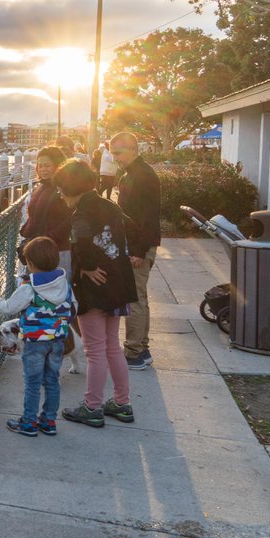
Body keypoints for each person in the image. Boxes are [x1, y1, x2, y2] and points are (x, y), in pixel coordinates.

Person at [54, 159, 138, 428]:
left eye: (60, 190)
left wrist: (87, 268)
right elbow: (131, 231)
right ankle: (122, 403)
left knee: (95, 351)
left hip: (96, 288)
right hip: (118, 284)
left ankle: (92, 406)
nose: (60, 196)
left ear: (68, 188)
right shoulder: (110, 206)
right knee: (113, 345)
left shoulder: (80, 213)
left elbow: (81, 239)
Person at [0, 236, 74, 436]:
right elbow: (73, 308)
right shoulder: (64, 285)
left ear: (31, 264)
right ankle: (49, 421)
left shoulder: (30, 288)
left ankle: (28, 422)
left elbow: (8, 308)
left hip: (35, 342)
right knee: (52, 380)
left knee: (33, 382)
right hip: (58, 341)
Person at [111, 131, 160, 369]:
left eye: (118, 153)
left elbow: (147, 217)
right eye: (112, 153)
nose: (115, 158)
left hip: (138, 247)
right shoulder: (132, 174)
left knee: (135, 299)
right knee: (140, 298)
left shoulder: (143, 176)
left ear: (133, 150)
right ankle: (141, 347)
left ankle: (133, 352)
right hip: (134, 244)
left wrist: (138, 251)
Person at [20, 146, 72, 278]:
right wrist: (25, 230)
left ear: (58, 165)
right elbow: (34, 216)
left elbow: (71, 218)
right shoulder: (41, 187)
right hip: (38, 251)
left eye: (47, 165)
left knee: (56, 294)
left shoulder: (65, 188)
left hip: (56, 252)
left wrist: (49, 237)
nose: (43, 169)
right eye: (40, 165)